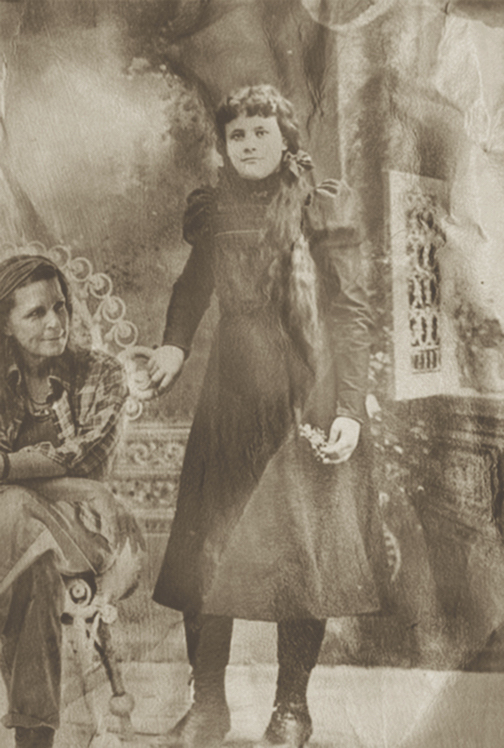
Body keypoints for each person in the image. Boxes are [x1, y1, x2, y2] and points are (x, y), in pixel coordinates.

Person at [150, 84, 385, 748]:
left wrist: (349, 410)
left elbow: (351, 314)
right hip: (230, 394)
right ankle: (208, 705)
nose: (249, 144)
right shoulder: (214, 209)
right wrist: (173, 345)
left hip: (304, 393)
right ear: (223, 145)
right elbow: (193, 287)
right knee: (207, 547)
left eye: (261, 131)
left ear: (285, 139)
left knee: (298, 552)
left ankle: (290, 708)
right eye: (237, 135)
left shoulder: (319, 206)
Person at [0, 253, 139, 748]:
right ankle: (34, 738)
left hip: (89, 533)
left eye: (59, 306)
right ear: (6, 324)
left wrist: (9, 471)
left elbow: (82, 456)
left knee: (12, 507)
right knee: (32, 564)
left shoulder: (102, 373)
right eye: (35, 313)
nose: (55, 322)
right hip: (22, 543)